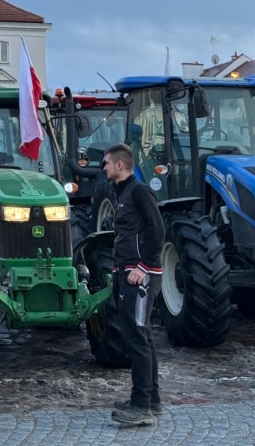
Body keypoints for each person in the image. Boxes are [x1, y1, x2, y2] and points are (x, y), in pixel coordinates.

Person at [103, 143, 166, 427]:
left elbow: (158, 229)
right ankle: (150, 399)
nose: (102, 167)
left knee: (137, 338)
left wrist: (143, 267)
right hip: (126, 272)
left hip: (139, 276)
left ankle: (143, 407)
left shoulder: (139, 191)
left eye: (106, 163)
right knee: (141, 336)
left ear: (120, 165)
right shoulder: (122, 193)